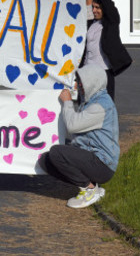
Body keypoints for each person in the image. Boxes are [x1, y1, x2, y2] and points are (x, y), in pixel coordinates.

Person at [38, 64, 119, 209]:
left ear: (92, 83)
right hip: (93, 158)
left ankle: (89, 190)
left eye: (80, 83)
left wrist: (67, 102)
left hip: (102, 165)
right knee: (46, 160)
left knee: (57, 153)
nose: (77, 86)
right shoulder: (92, 101)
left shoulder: (100, 106)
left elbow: (72, 126)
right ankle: (92, 185)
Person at [79, 0, 132, 100]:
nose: (94, 10)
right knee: (85, 106)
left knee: (104, 109)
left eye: (98, 8)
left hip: (103, 73)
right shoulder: (91, 24)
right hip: (86, 73)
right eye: (93, 7)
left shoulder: (111, 22)